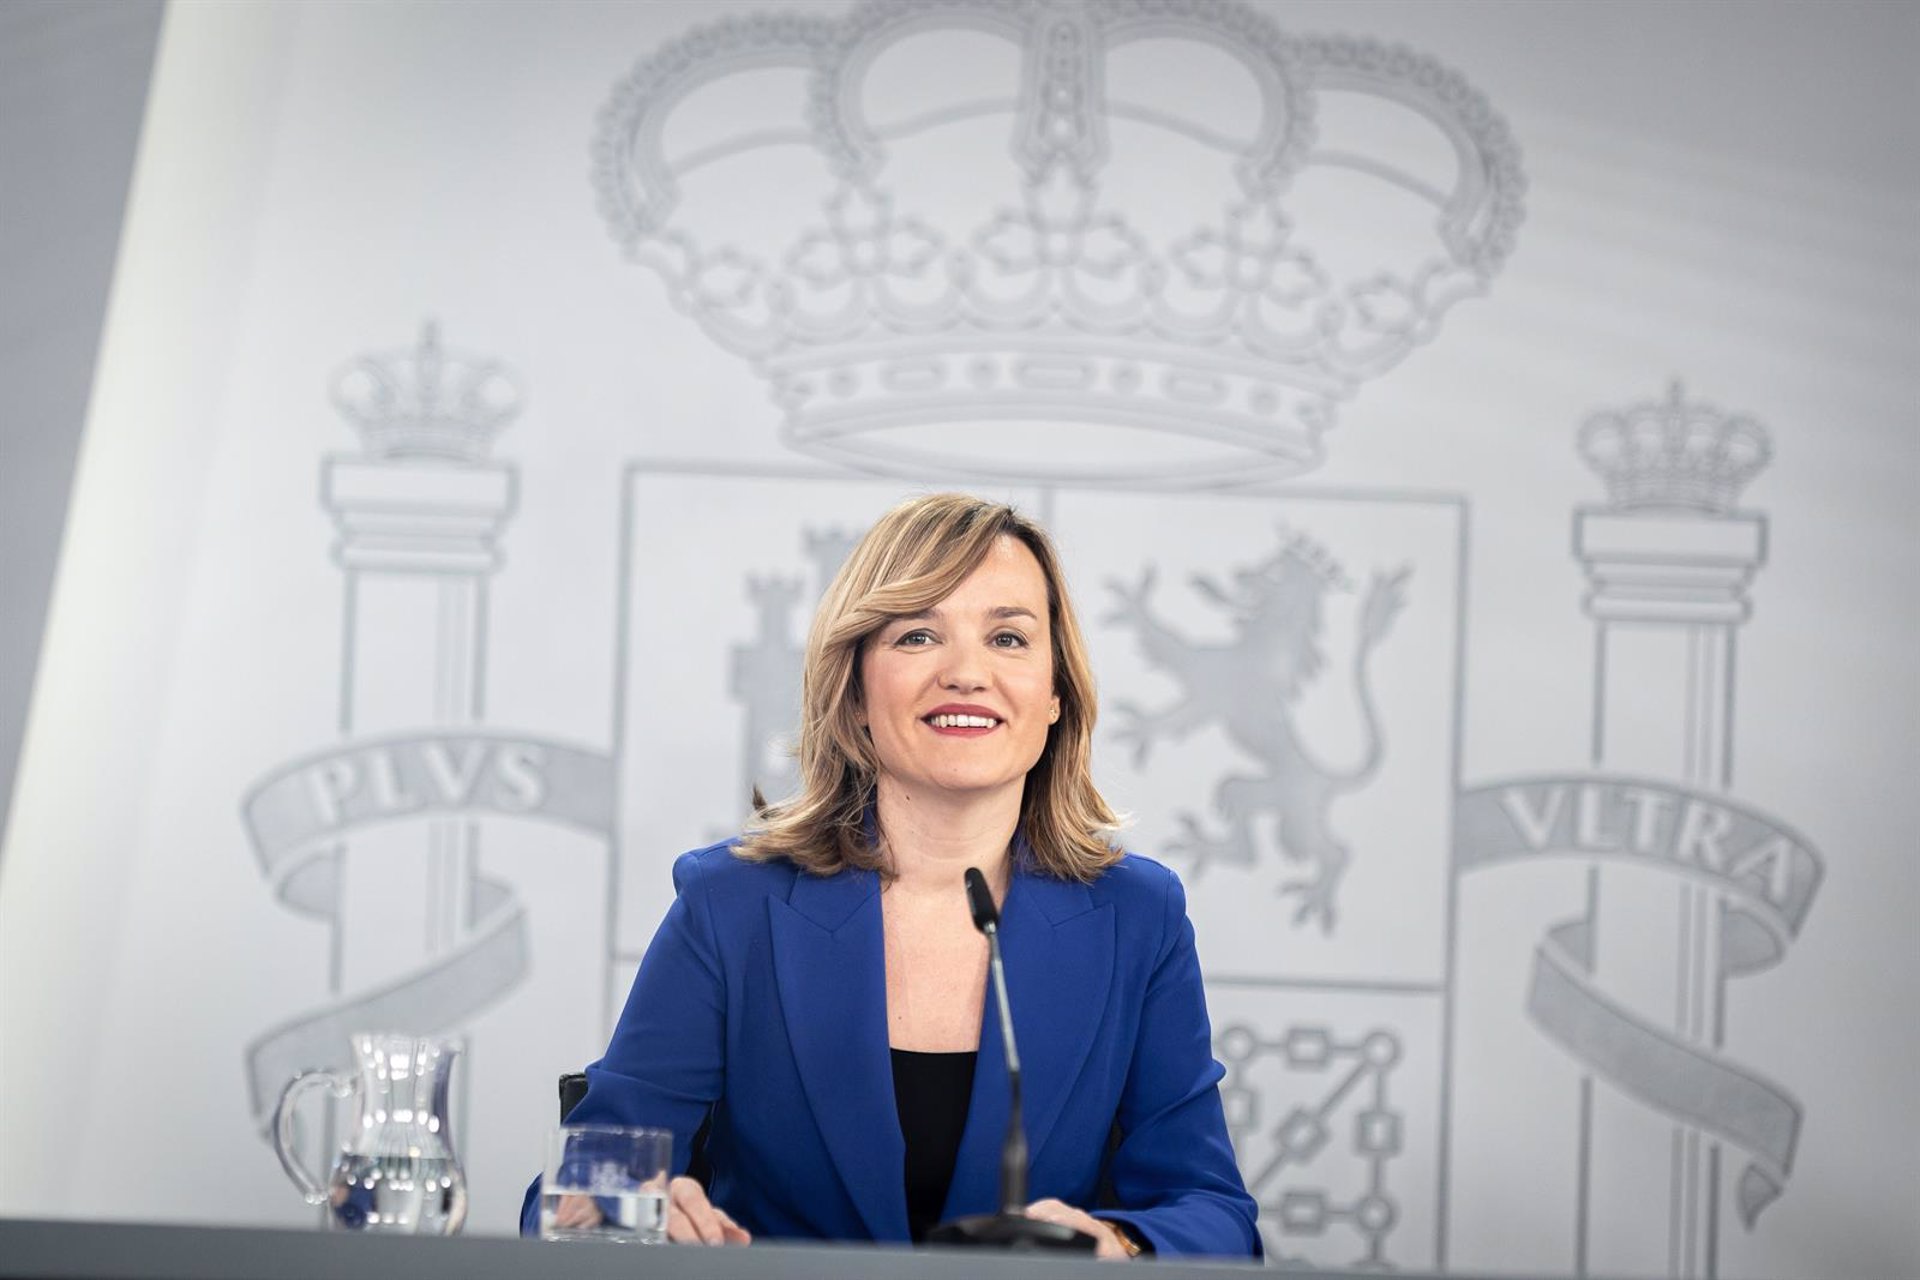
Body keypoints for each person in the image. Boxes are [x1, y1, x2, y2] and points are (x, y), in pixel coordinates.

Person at [522, 493, 1259, 1258]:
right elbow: (568, 1198)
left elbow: (1213, 1212)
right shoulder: (732, 906)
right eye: (917, 635)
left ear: (1055, 695)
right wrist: (629, 1208)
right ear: (856, 693)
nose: (966, 673)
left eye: (1008, 637)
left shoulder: (1137, 917)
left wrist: (1119, 1244)